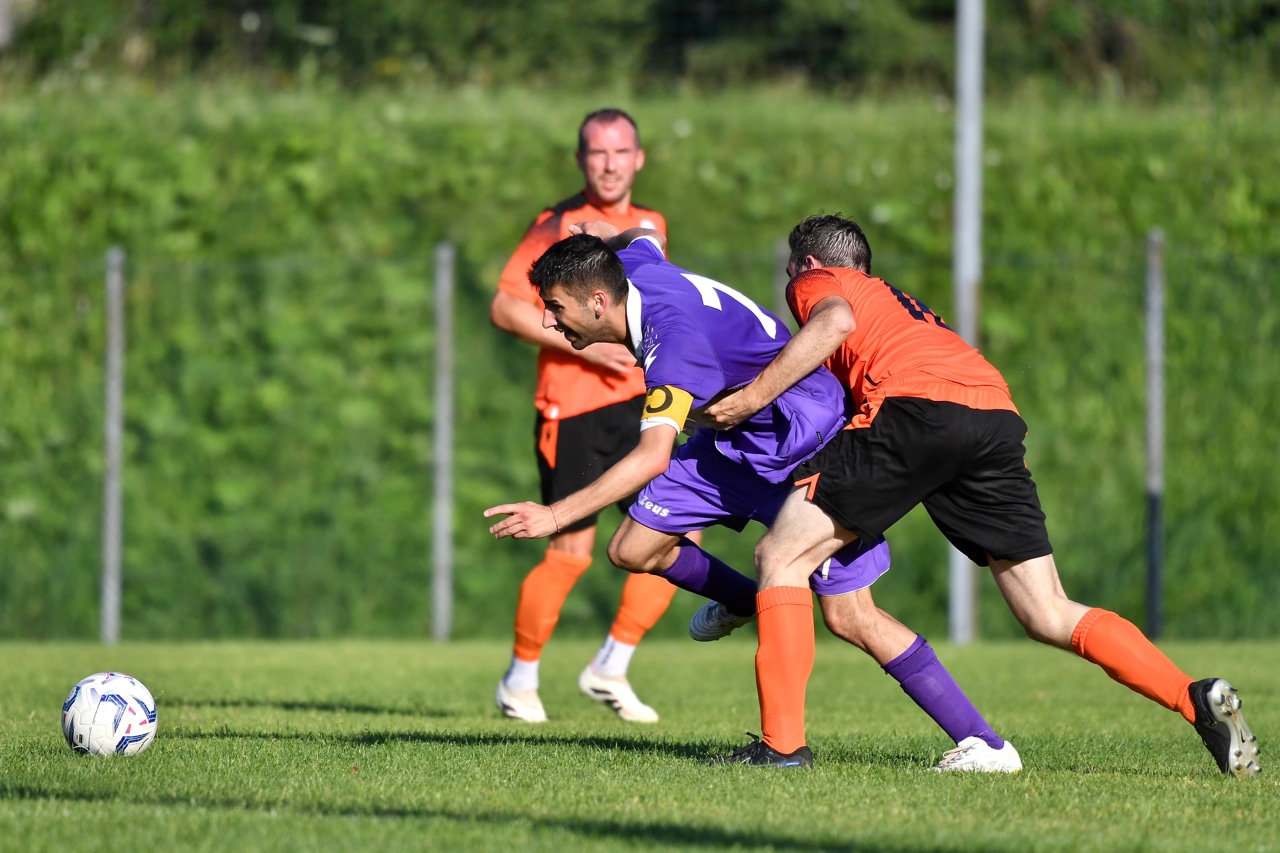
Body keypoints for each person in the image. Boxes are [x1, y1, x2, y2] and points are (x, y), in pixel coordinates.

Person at [702, 213, 1261, 777]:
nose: (794, 287)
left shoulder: (821, 283)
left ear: (810, 264)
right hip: (993, 415)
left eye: (794, 273)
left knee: (781, 557)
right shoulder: (900, 307)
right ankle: (1192, 697)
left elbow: (835, 322)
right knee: (1047, 610)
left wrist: (749, 400)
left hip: (915, 407)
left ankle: (781, 747)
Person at [487, 224, 1023, 772]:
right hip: (733, 439)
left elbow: (651, 458)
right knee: (632, 548)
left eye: (555, 307)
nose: (547, 321)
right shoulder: (635, 266)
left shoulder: (672, 343)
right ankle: (748, 600)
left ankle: (980, 742)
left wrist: (555, 515)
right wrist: (605, 236)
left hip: (802, 439)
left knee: (850, 615)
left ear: (599, 301)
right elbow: (645, 234)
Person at [489, 108, 687, 724]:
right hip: (574, 404)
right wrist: (589, 349)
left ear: (639, 158)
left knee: (676, 533)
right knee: (570, 552)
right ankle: (519, 682)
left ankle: (611, 666)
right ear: (580, 160)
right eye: (597, 152)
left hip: (640, 403)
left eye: (620, 151)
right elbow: (505, 307)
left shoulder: (651, 226)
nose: (609, 163)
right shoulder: (557, 224)